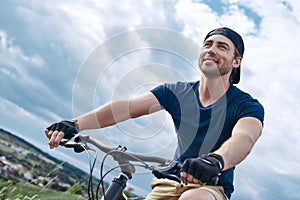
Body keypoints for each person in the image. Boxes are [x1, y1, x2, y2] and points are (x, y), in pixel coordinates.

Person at [45, 27, 264, 200]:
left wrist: (216, 160)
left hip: (211, 188)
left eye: (222, 47)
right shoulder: (177, 92)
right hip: (170, 181)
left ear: (236, 61)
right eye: (208, 44)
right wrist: (75, 124)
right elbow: (124, 109)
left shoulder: (247, 106)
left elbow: (244, 137)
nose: (212, 50)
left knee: (193, 198)